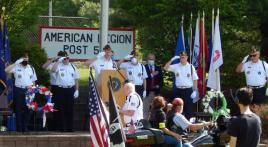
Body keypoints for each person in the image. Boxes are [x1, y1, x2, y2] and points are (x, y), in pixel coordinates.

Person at [5, 53, 37, 132]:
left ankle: (25, 126)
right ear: (21, 59)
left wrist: (33, 91)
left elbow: (33, 81)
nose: (25, 61)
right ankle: (19, 127)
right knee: (18, 109)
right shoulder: (16, 66)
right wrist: (16, 63)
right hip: (18, 90)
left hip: (29, 91)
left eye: (27, 59)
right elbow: (6, 70)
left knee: (28, 109)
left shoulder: (31, 68)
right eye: (24, 59)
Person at [164, 51, 198, 119]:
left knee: (188, 109)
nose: (182, 59)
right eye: (181, 57)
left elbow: (195, 79)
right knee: (177, 109)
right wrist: (172, 59)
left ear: (187, 57)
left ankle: (188, 127)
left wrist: (195, 91)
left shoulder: (191, 67)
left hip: (188, 91)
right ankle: (178, 126)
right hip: (179, 90)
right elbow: (165, 68)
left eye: (184, 57)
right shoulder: (176, 66)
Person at [51, 51, 80, 132]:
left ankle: (70, 128)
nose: (66, 59)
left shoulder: (73, 67)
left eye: (67, 58)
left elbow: (76, 79)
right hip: (61, 89)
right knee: (61, 109)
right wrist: (58, 61)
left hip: (70, 89)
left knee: (70, 109)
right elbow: (53, 70)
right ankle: (62, 128)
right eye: (64, 58)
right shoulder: (58, 66)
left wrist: (77, 90)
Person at [42, 50, 65, 130]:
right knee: (54, 107)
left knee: (62, 107)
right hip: (54, 87)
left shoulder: (65, 65)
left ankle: (61, 125)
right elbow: (44, 66)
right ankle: (55, 126)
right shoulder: (52, 64)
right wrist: (53, 59)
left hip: (63, 87)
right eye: (61, 57)